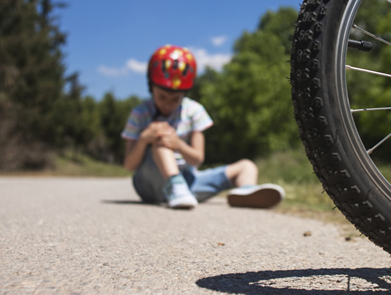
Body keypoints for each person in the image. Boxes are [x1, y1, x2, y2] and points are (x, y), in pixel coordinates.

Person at [121, 44, 285, 209]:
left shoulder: (194, 110)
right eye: (162, 97)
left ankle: (246, 191)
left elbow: (197, 159)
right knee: (161, 140)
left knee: (247, 166)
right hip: (149, 184)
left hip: (188, 182)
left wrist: (178, 144)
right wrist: (144, 139)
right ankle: (174, 186)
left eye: (175, 99)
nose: (167, 104)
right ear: (151, 87)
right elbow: (129, 165)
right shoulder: (139, 113)